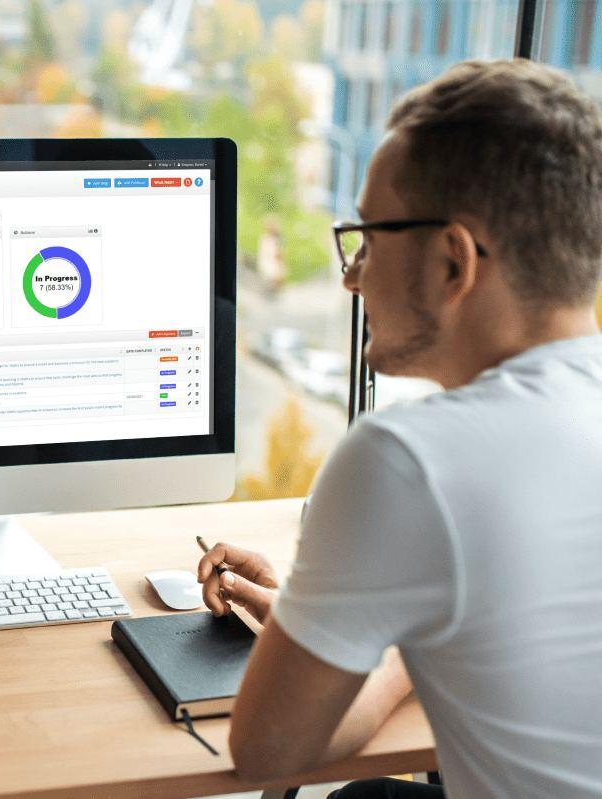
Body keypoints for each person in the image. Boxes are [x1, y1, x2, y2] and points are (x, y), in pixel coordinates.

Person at [197, 60, 602, 798]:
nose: (351, 276)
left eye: (369, 239)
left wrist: (370, 628)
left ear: (453, 260)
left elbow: (266, 751)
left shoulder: (408, 459)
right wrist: (357, 610)